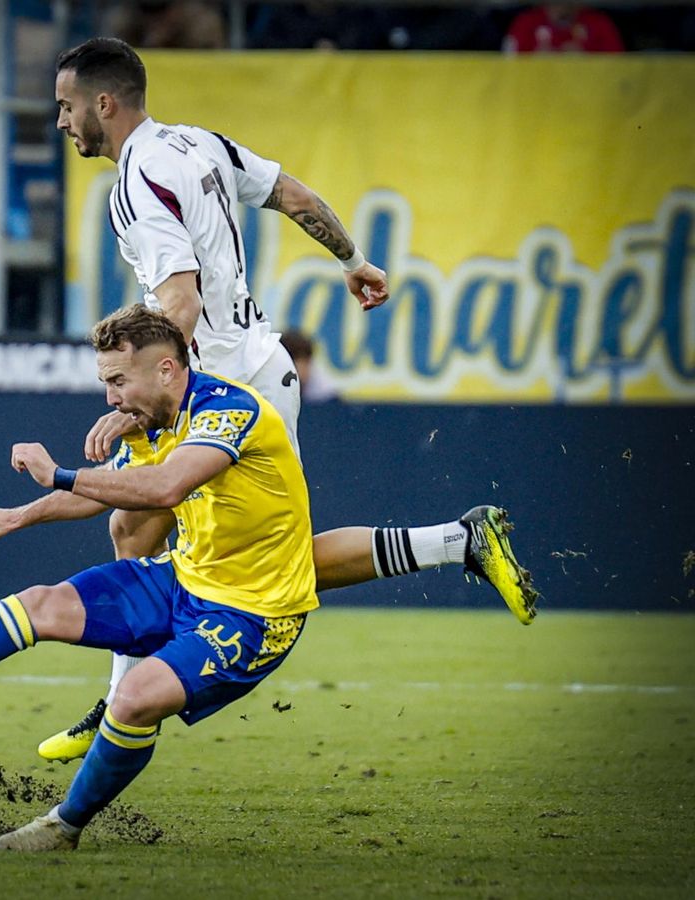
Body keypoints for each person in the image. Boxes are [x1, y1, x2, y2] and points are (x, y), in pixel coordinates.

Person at [0, 305, 534, 850]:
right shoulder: (154, 421)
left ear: (169, 369)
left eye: (119, 380)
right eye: (106, 381)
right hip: (184, 581)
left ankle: (62, 827)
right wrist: (22, 513)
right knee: (42, 603)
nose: (111, 395)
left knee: (138, 694)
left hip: (250, 618)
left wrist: (59, 467)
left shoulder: (228, 414)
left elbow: (162, 491)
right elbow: (105, 487)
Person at [38, 37, 538, 762]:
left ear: (103, 104)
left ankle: (121, 700)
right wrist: (354, 259)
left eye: (66, 106)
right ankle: (459, 541)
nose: (62, 122)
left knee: (170, 534)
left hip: (218, 389)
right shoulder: (199, 145)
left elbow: (179, 299)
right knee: (161, 535)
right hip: (263, 369)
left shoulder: (136, 185)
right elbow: (294, 196)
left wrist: (140, 397)